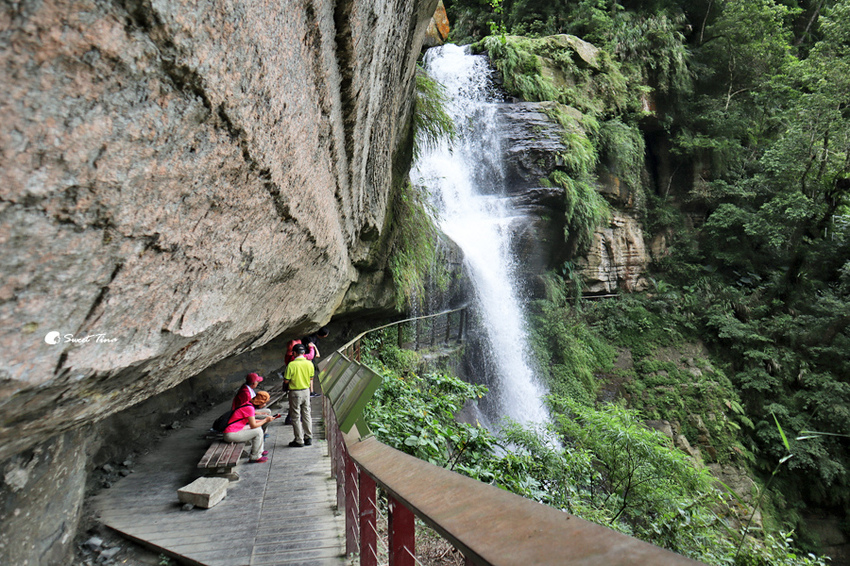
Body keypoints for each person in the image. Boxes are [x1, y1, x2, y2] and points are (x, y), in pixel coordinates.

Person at [223, 391, 278, 463]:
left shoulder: (248, 404)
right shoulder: (250, 408)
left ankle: (260, 451)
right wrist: (265, 420)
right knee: (258, 431)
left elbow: (252, 421)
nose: (264, 405)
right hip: (230, 434)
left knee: (258, 428)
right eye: (264, 403)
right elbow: (253, 425)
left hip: (234, 430)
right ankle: (255, 457)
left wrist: (265, 420)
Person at [283, 343, 314, 447]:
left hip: (295, 392)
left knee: (296, 416)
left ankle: (299, 440)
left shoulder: (291, 365)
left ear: (294, 353)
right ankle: (308, 437)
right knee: (306, 414)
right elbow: (311, 378)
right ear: (304, 353)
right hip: (306, 391)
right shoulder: (310, 364)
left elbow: (286, 380)